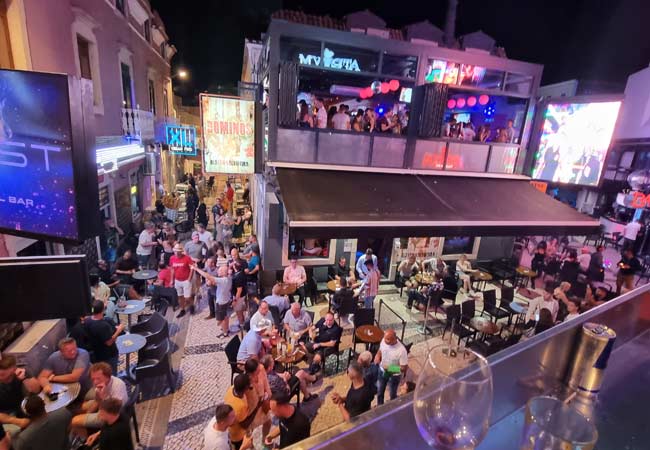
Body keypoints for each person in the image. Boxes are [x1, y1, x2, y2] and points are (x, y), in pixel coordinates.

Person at [71, 363, 128, 436]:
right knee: (78, 409)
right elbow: (97, 401)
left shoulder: (118, 386)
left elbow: (112, 412)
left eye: (98, 378)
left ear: (108, 376)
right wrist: (88, 413)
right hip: (103, 406)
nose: (95, 382)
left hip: (112, 414)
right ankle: (85, 427)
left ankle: (87, 441)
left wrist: (103, 397)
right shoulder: (99, 384)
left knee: (74, 421)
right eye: (93, 379)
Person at [0, 356, 40, 436]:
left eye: (11, 375)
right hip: (4, 417)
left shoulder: (21, 372)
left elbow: (36, 390)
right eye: (2, 375)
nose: (9, 379)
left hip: (22, 408)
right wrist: (15, 421)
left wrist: (25, 378)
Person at [83, 301, 124, 373]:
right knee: (111, 373)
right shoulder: (103, 326)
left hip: (97, 352)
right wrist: (119, 330)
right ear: (103, 310)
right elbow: (109, 342)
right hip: (108, 355)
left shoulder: (87, 320)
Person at [224, 374, 263, 450]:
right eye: (249, 385)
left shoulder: (231, 389)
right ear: (245, 388)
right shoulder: (240, 406)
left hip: (232, 431)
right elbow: (244, 424)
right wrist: (257, 407)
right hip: (238, 437)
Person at [298, 312, 342, 380]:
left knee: (316, 359)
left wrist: (320, 344)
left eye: (330, 320)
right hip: (316, 342)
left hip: (325, 347)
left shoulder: (336, 329)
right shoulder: (322, 320)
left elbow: (332, 343)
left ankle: (311, 375)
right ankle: (312, 361)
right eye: (327, 320)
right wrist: (311, 333)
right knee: (302, 348)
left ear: (334, 319)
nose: (328, 322)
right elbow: (312, 328)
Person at [374, 329, 408, 405]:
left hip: (394, 376)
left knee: (392, 394)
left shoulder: (401, 351)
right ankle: (380, 406)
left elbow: (404, 368)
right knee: (380, 391)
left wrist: (389, 368)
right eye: (385, 338)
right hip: (382, 371)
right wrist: (378, 355)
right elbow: (381, 349)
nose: (384, 340)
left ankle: (392, 407)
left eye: (387, 339)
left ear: (394, 339)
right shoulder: (384, 340)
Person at [170, 243, 195, 318]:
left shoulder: (187, 258)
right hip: (177, 280)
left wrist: (189, 279)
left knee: (187, 297)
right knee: (180, 296)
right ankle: (182, 309)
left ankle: (191, 305)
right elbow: (172, 269)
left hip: (186, 280)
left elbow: (192, 268)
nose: (176, 253)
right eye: (175, 251)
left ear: (181, 251)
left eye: (178, 251)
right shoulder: (172, 258)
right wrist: (172, 279)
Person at [231, 261, 248, 329]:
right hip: (243, 294)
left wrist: (235, 300)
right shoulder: (242, 273)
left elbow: (239, 290)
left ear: (235, 267)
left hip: (239, 296)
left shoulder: (238, 277)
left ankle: (241, 325)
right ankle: (242, 322)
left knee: (238, 311)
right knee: (239, 310)